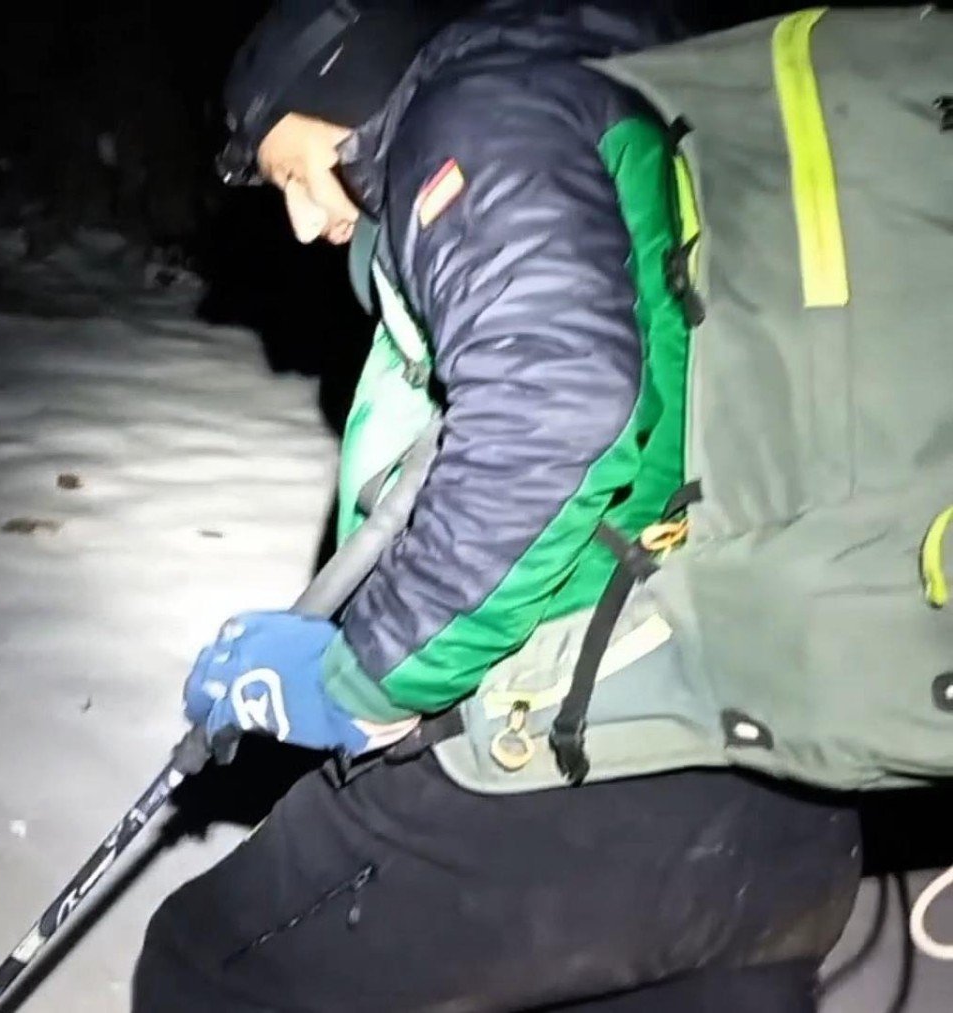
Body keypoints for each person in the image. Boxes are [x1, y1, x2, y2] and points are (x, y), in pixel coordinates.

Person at [132, 1, 865, 1010]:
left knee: (206, 966)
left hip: (585, 757)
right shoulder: (623, 104)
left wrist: (362, 678)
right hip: (779, 788)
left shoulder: (478, 115)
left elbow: (553, 412)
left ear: (345, 90)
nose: (302, 218)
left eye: (294, 172)